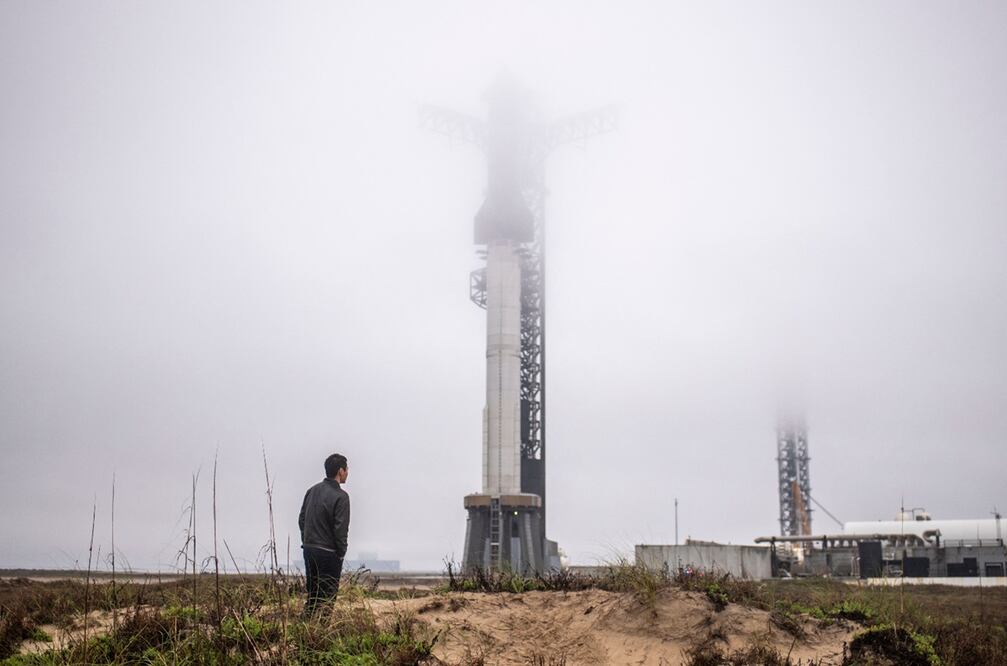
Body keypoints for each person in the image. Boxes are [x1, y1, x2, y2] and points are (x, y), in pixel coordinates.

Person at [299, 453, 350, 616]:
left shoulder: (311, 491)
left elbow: (301, 519)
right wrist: (341, 553)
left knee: (312, 597)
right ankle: (320, 637)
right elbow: (340, 529)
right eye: (347, 469)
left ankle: (305, 633)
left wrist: (307, 541)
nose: (348, 472)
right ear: (340, 471)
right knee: (327, 600)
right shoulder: (342, 497)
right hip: (329, 554)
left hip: (309, 549)